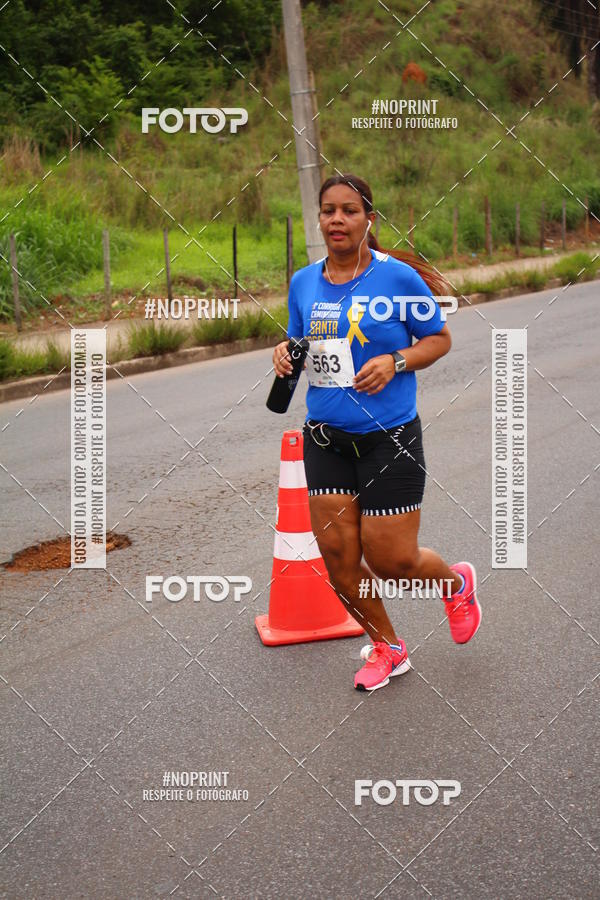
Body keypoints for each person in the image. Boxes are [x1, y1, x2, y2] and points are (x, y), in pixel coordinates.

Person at [272, 173, 481, 691]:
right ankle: (388, 647)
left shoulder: (397, 279)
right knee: (340, 561)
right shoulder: (303, 282)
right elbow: (305, 341)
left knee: (392, 561)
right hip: (325, 437)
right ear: (318, 219)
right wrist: (283, 351)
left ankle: (456, 583)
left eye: (349, 210)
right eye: (328, 211)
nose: (337, 220)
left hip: (389, 437)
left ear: (369, 219)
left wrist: (397, 360)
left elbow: (439, 338)